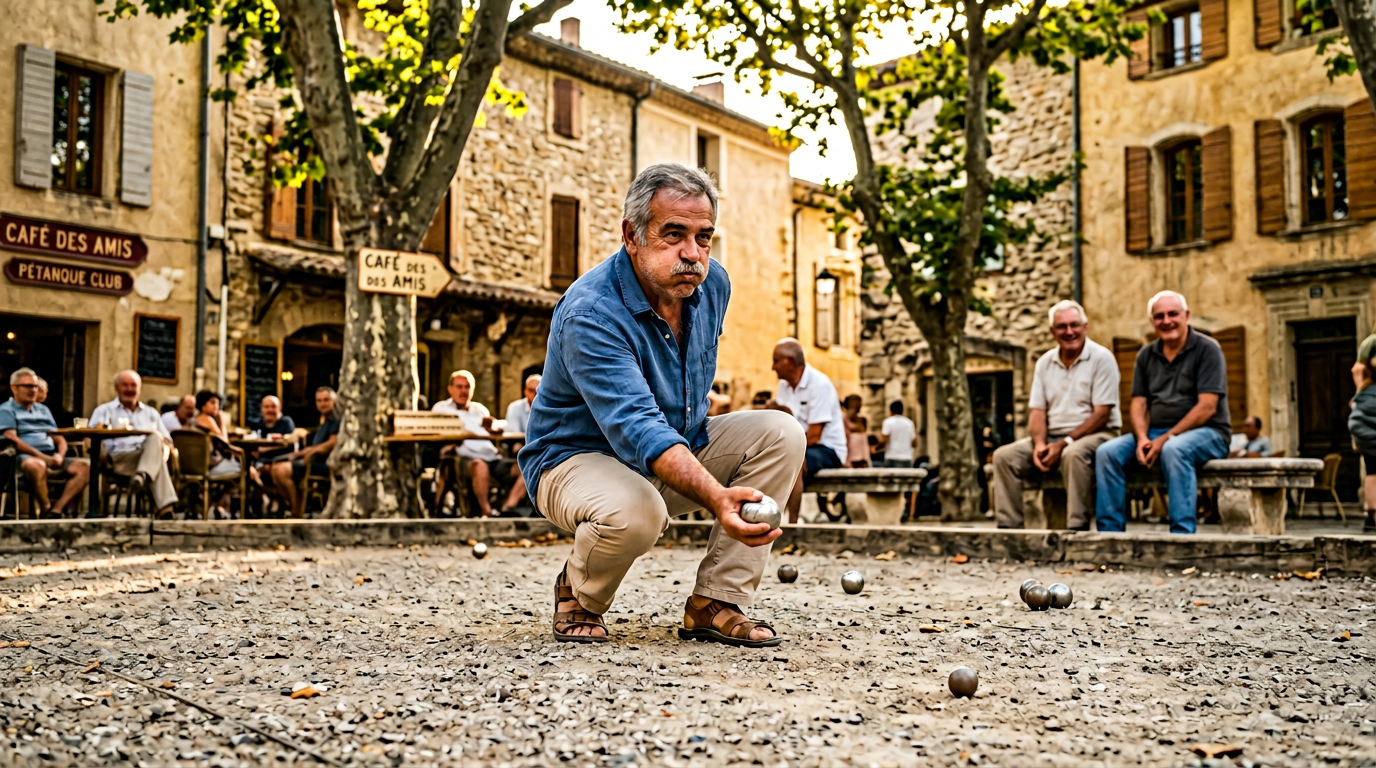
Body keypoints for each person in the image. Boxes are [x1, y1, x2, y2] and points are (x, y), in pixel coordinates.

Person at [519, 163, 805, 646]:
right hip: (573, 461)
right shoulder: (590, 312)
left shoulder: (712, 285)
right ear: (632, 235)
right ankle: (579, 593)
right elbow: (638, 426)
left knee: (781, 432)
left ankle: (715, 601)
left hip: (677, 449)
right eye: (674, 234)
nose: (692, 254)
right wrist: (718, 497)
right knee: (638, 511)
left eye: (704, 237)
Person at [1095, 291, 1231, 534]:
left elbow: (1207, 407)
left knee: (1174, 450)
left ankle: (1181, 535)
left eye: (1172, 314)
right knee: (1107, 453)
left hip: (1209, 432)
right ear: (1152, 322)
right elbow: (1138, 403)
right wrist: (1143, 438)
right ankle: (1110, 534)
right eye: (1159, 316)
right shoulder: (1146, 355)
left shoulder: (1208, 349)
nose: (1166, 321)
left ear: (1186, 316)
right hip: (1157, 432)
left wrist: (1164, 439)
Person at [991, 301, 1121, 530]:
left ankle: (1076, 529)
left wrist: (1063, 443)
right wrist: (1040, 444)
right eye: (1062, 327)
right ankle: (1009, 531)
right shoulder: (1044, 363)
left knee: (1073, 454)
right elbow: (1038, 411)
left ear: (1085, 327)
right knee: (1004, 457)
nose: (1069, 332)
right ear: (1052, 332)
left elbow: (1102, 414)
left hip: (1098, 434)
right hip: (1052, 438)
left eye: (1074, 325)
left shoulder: (1102, 358)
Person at [433, 370, 528, 517]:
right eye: (459, 387)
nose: (464, 391)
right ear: (450, 389)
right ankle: (487, 511)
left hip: (492, 456)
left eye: (467, 387)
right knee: (479, 465)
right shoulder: (441, 409)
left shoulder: (479, 409)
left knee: (526, 467)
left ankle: (507, 508)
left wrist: (493, 429)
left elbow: (498, 428)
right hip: (464, 459)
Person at [0, 368, 89, 517]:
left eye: (35, 386)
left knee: (84, 467)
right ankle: (46, 507)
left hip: (50, 455)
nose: (33, 390)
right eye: (28, 386)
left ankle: (56, 510)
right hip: (21, 458)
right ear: (14, 388)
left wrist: (60, 455)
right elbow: (12, 439)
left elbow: (58, 437)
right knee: (37, 465)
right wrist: (43, 457)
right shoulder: (6, 410)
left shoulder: (43, 410)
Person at [90, 371, 177, 518]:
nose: (129, 389)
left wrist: (165, 452)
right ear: (116, 388)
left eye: (133, 385)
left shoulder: (151, 413)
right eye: (125, 385)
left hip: (145, 457)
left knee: (155, 438)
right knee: (156, 458)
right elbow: (91, 437)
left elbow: (168, 441)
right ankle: (165, 508)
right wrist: (102, 456)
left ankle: (141, 476)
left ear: (139, 388)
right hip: (119, 459)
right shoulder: (104, 411)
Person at [771, 339, 847, 475]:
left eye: (776, 361)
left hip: (827, 449)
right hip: (798, 445)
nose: (773, 367)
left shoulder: (819, 384)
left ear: (791, 362)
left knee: (794, 462)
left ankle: (789, 497)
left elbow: (814, 436)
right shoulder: (783, 385)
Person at [269, 387, 339, 519]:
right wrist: (302, 452)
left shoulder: (336, 419)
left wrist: (308, 452)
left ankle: (297, 512)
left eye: (326, 400)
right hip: (312, 459)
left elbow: (331, 443)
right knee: (275, 467)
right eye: (319, 401)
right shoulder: (324, 420)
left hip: (324, 462)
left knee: (281, 471)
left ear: (334, 401)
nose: (322, 404)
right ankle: (295, 506)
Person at [190, 390, 244, 518]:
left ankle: (218, 505)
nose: (217, 406)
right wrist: (221, 422)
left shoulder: (194, 420)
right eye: (213, 403)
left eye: (218, 403)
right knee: (241, 468)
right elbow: (224, 441)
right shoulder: (208, 419)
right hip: (208, 466)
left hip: (194, 466)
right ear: (203, 406)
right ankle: (220, 504)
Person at [1349, 335, 1376, 532]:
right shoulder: (1371, 344)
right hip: (1368, 408)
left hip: (1363, 413)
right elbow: (1358, 368)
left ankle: (1371, 515)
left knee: (1372, 470)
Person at [877, 401, 917, 468]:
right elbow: (914, 443)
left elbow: (884, 441)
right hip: (906, 458)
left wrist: (876, 448)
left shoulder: (887, 422)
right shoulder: (909, 423)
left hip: (892, 457)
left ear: (891, 411)